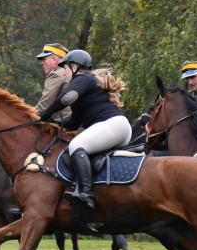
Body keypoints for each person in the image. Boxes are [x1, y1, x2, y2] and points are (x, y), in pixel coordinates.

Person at [38, 50, 131, 210]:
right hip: (117, 127)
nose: (64, 73)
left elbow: (68, 97)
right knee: (78, 148)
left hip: (112, 125)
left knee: (76, 147)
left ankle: (86, 194)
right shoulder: (85, 87)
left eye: (65, 69)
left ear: (74, 68)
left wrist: (45, 114)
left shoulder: (83, 78)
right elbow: (74, 123)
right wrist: (52, 123)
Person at [34, 43, 71, 124]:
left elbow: (44, 105)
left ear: (55, 59)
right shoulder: (69, 72)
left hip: (62, 126)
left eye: (44, 59)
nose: (42, 63)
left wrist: (26, 115)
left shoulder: (56, 74)